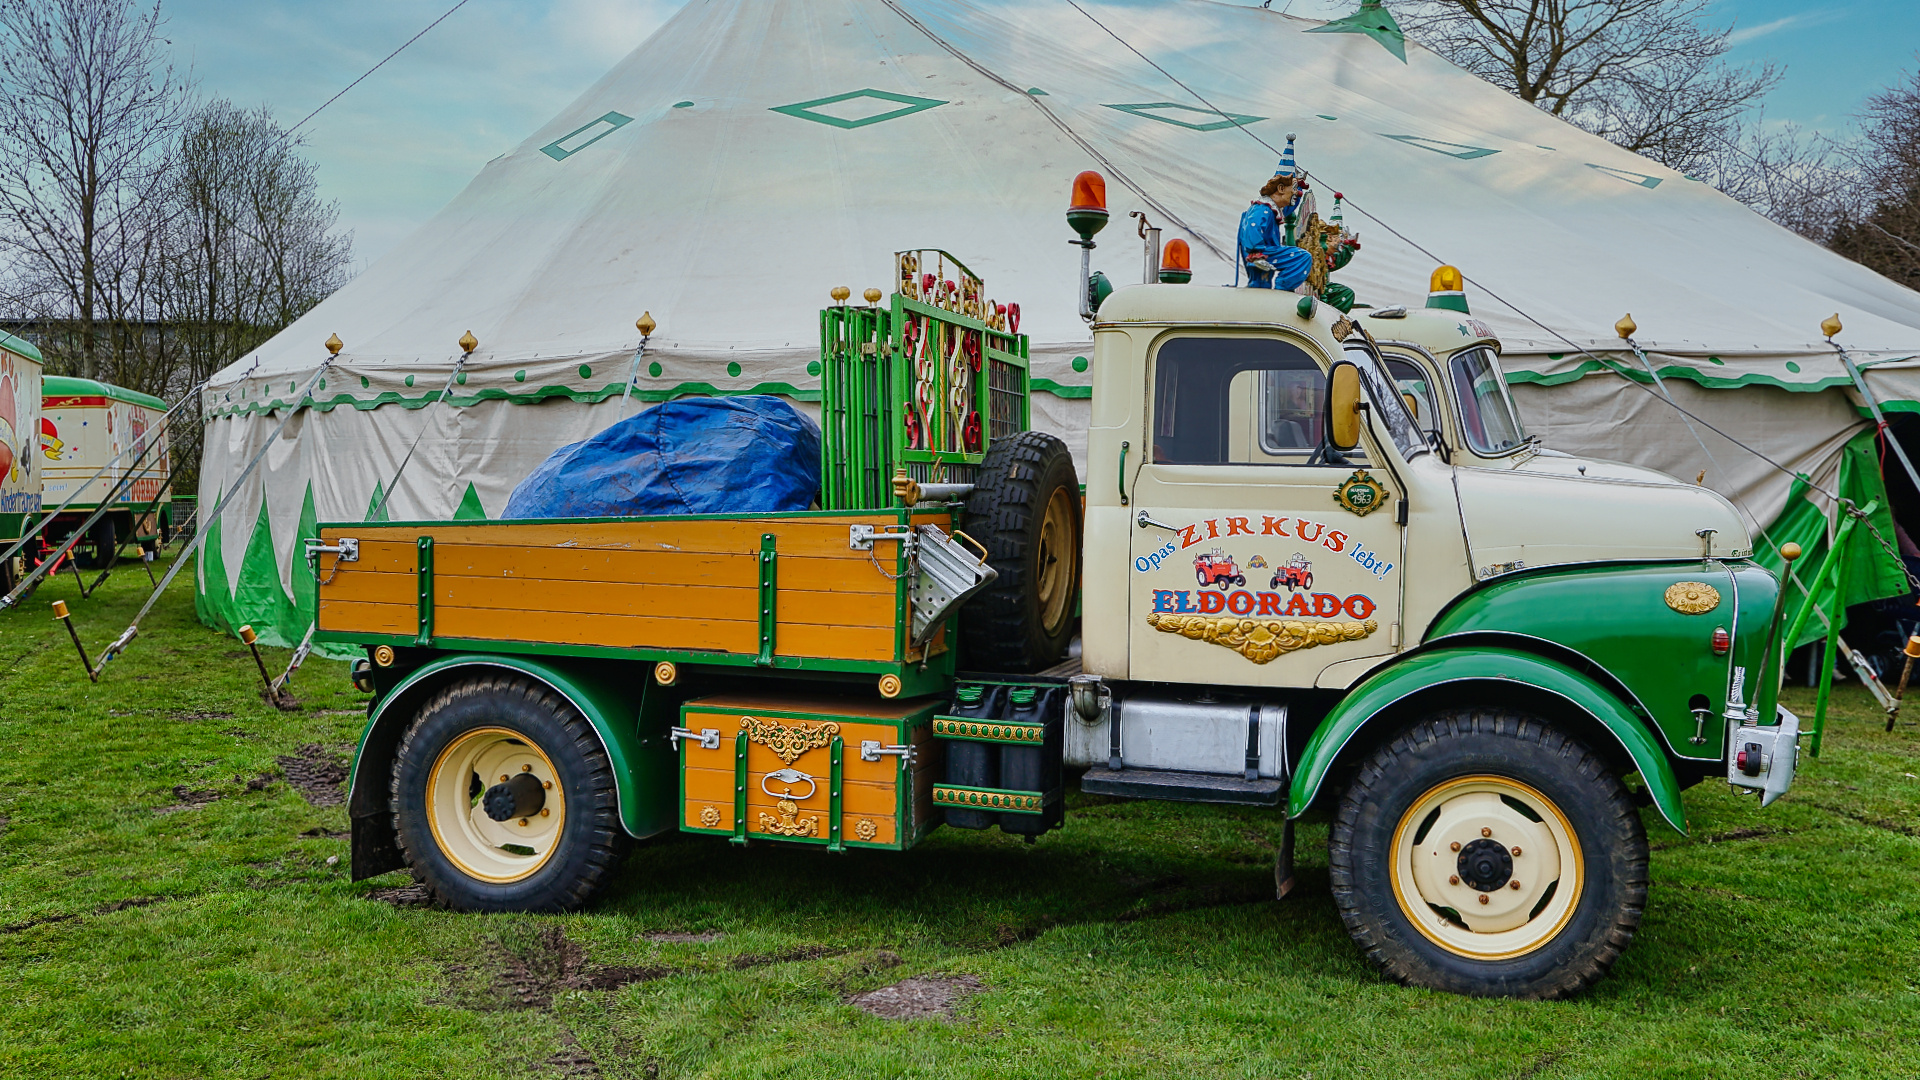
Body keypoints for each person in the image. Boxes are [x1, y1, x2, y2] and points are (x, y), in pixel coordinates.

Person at [1238, 173, 1313, 290]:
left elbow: (1290, 206)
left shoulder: (1272, 210)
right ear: (1281, 188)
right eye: (1293, 189)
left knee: (1261, 284)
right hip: (1260, 253)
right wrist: (1256, 253)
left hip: (1263, 253)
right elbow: (1253, 227)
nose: (1295, 193)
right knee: (1301, 257)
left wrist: (1298, 187)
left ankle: (1269, 293)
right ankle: (1282, 288)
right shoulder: (1262, 208)